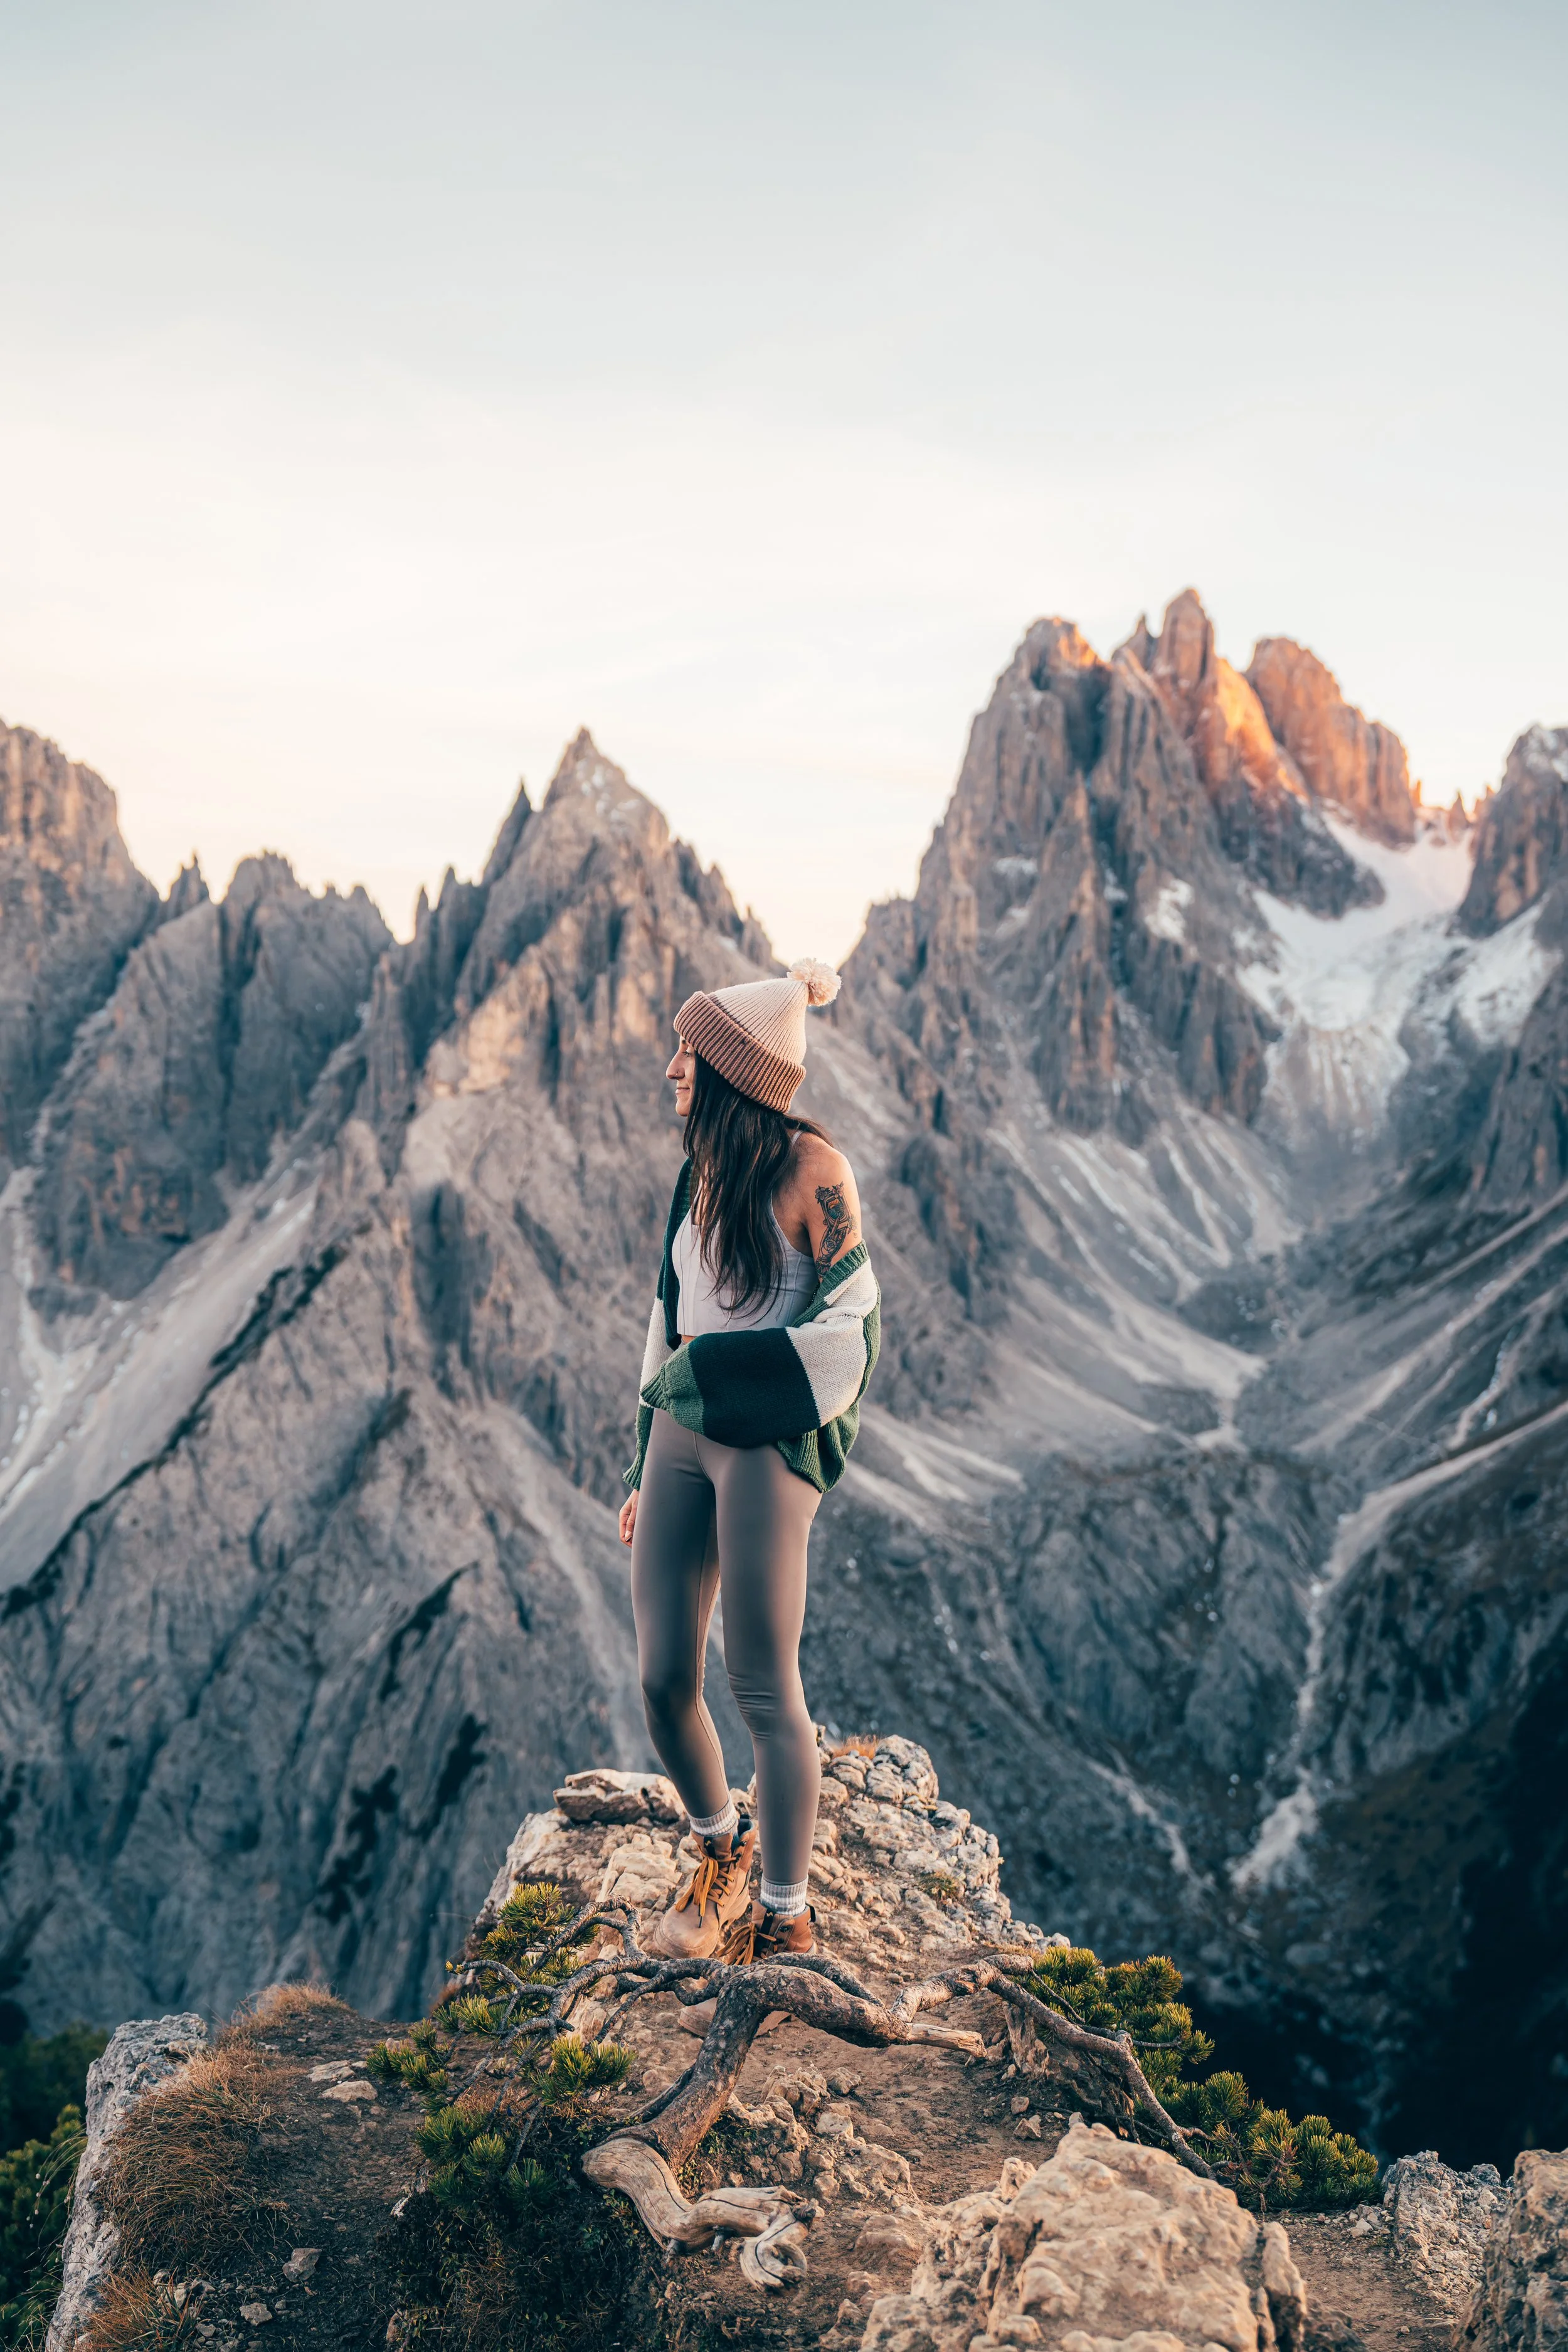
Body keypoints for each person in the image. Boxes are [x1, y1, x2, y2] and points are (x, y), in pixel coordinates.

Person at [617, 958, 880, 1986]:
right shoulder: (701, 1171)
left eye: (689, 1053)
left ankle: (784, 1914)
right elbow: (668, 1322)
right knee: (661, 1676)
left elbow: (851, 1331)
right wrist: (646, 1457)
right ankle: (720, 1848)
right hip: (685, 1434)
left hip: (766, 1440)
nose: (672, 1068)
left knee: (765, 1687)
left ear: (733, 1074)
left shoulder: (819, 1174)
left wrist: (726, 1374)